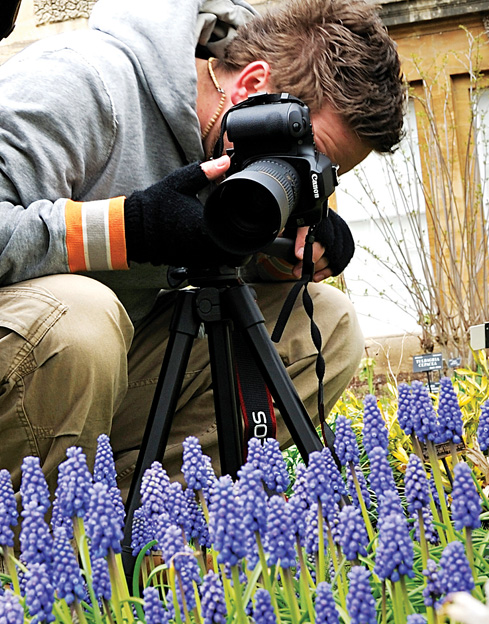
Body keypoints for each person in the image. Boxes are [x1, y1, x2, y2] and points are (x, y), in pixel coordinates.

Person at [0, 0, 405, 496]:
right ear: (255, 86)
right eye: (307, 156)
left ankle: (138, 522)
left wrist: (276, 253)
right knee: (82, 316)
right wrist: (134, 227)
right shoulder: (82, 82)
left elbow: (196, 247)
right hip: (42, 357)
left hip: (106, 372)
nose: (310, 177)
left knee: (325, 322)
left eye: (326, 173)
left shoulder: (233, 145)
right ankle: (33, 550)